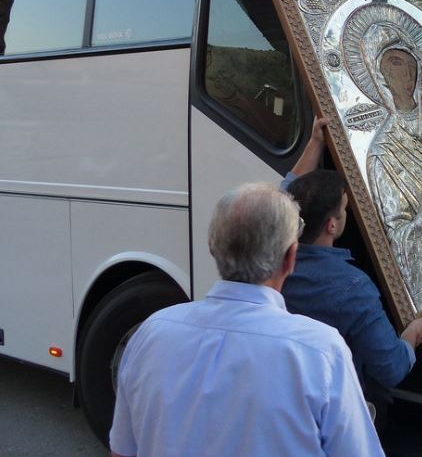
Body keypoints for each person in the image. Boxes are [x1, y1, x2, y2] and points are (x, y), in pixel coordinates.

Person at [109, 183, 382, 457]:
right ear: (290, 259)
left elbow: (122, 451)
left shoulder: (150, 334)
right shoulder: (322, 352)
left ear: (213, 249)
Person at [281, 166, 422, 392]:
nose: (347, 212)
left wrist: (314, 140)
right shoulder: (353, 287)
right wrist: (411, 335)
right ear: (332, 225)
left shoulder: (268, 261)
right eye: (344, 208)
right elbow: (392, 368)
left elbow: (283, 195)